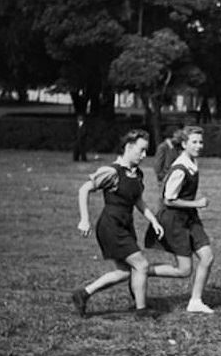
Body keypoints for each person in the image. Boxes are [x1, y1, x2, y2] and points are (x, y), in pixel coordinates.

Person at [71, 129, 167, 318]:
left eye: (146, 151)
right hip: (111, 226)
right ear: (129, 147)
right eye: (141, 150)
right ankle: (141, 311)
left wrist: (154, 220)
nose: (144, 155)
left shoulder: (137, 173)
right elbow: (84, 189)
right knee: (141, 265)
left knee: (125, 271)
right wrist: (84, 219)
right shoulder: (111, 171)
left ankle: (83, 294)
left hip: (125, 225)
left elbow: (138, 200)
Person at [151, 126, 216, 313]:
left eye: (200, 142)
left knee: (207, 257)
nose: (199, 146)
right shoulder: (180, 168)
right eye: (194, 142)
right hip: (175, 220)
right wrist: (197, 203)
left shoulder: (191, 162)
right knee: (184, 270)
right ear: (184, 144)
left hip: (189, 218)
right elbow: (169, 200)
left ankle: (195, 301)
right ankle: (141, 271)